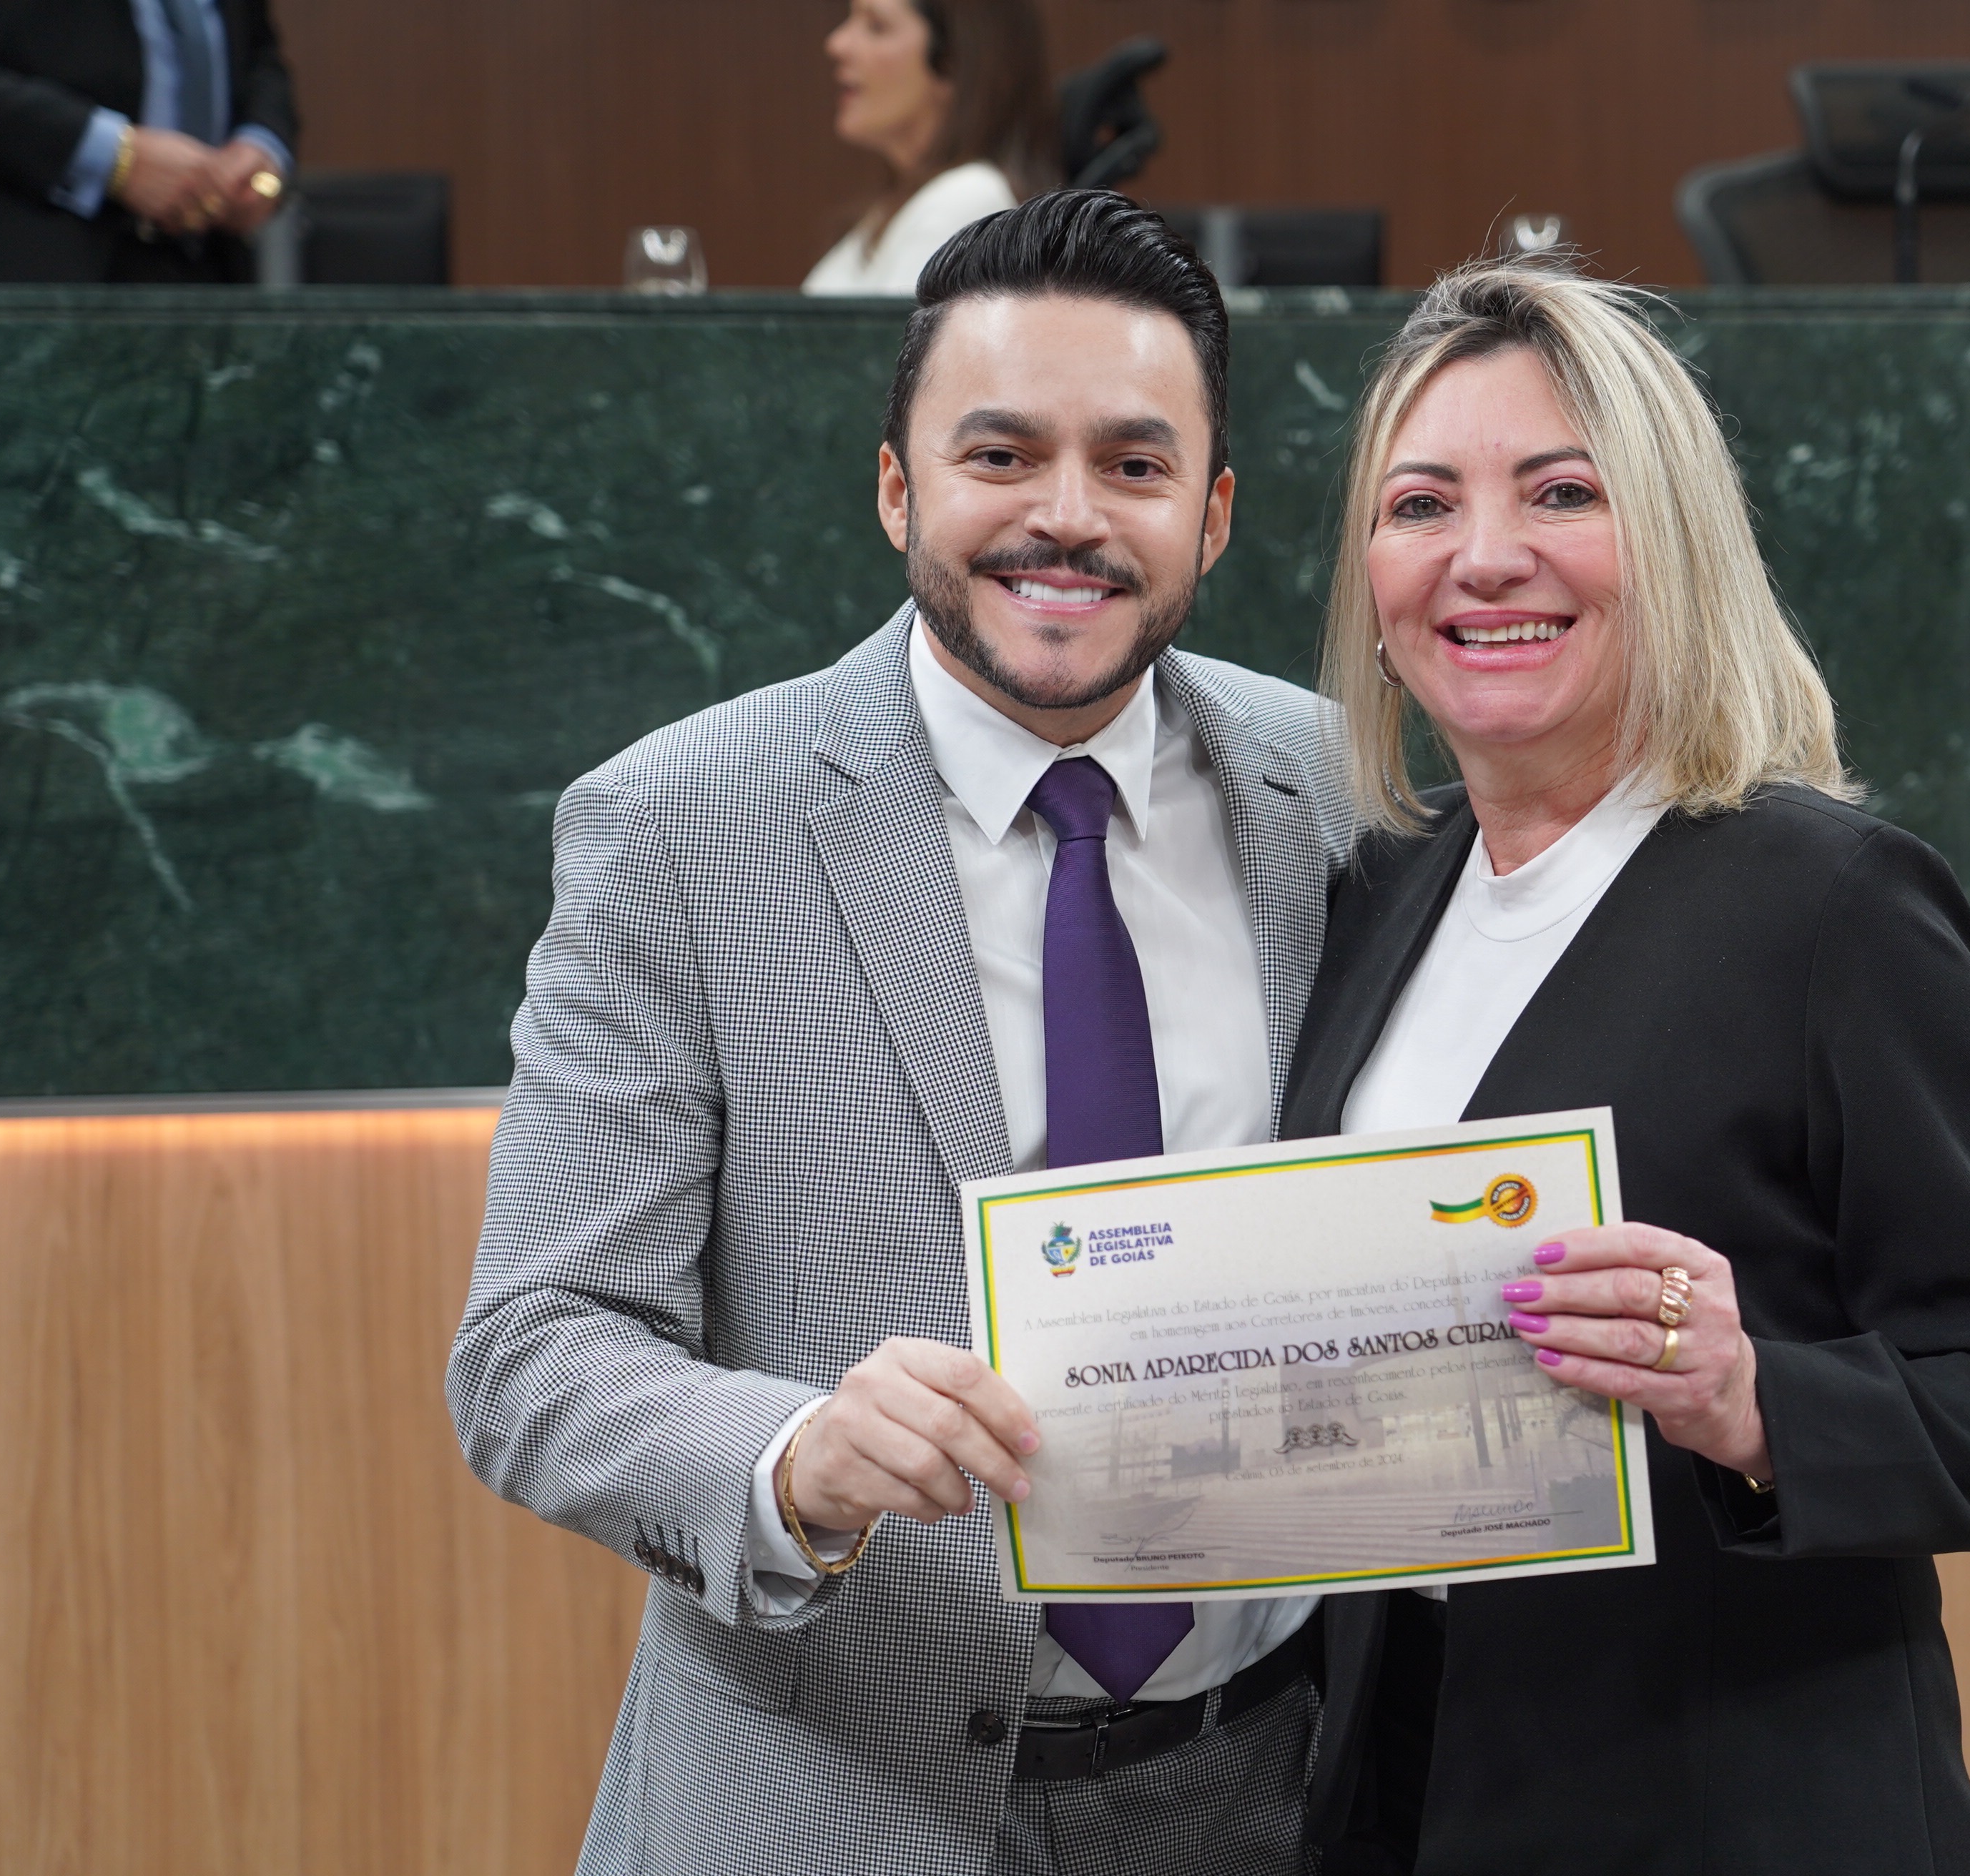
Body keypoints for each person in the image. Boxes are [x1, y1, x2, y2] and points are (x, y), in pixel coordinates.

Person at [450, 189, 1351, 1875]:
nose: (1066, 516)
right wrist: (796, 1457)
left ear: (1214, 515)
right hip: (838, 1797)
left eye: (1134, 465)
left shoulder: (1337, 785)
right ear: (897, 487)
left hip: (1269, 1782)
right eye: (1000, 454)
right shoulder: (676, 827)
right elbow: (531, 1351)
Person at [1281, 255, 1970, 1875]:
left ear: (1672, 544)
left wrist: (1756, 1402)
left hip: (1738, 1813)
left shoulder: (1834, 903)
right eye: (1420, 505)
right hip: (1406, 1803)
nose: (1483, 554)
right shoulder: (1376, 891)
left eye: (1561, 492)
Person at [0, 0, 295, 282]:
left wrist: (262, 146)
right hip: (13, 272)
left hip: (204, 269)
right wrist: (110, 156)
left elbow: (256, 47)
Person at [802, 0, 1054, 297]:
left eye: (877, 27)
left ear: (951, 61)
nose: (837, 44)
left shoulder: (967, 197)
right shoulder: (891, 208)